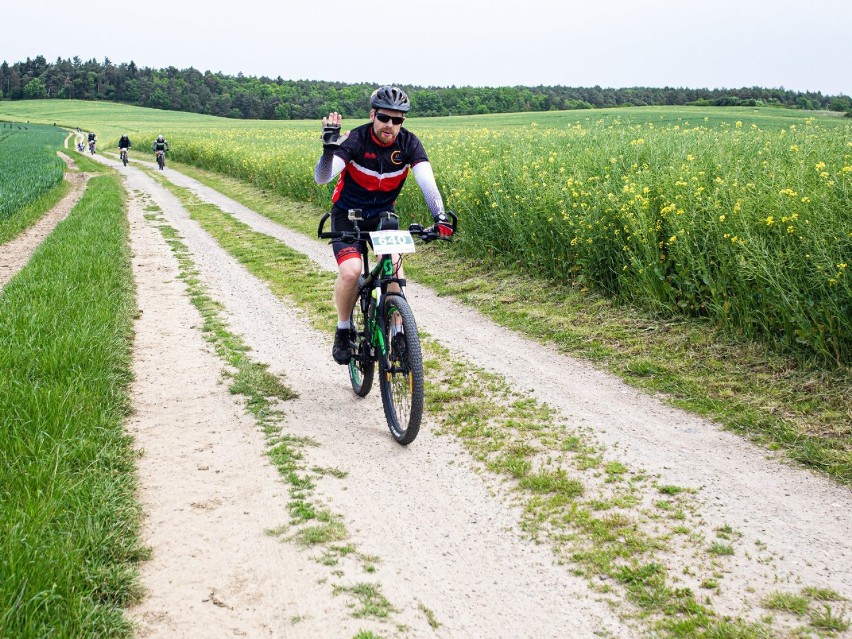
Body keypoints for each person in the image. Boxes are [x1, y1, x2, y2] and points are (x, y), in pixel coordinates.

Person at [314, 85, 453, 364]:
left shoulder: (410, 144)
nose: (390, 125)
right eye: (384, 118)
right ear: (373, 115)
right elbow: (323, 177)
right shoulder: (356, 139)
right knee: (352, 271)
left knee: (394, 269)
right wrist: (329, 150)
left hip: (382, 215)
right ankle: (343, 329)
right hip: (347, 214)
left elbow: (426, 179)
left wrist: (439, 216)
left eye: (398, 119)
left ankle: (400, 333)